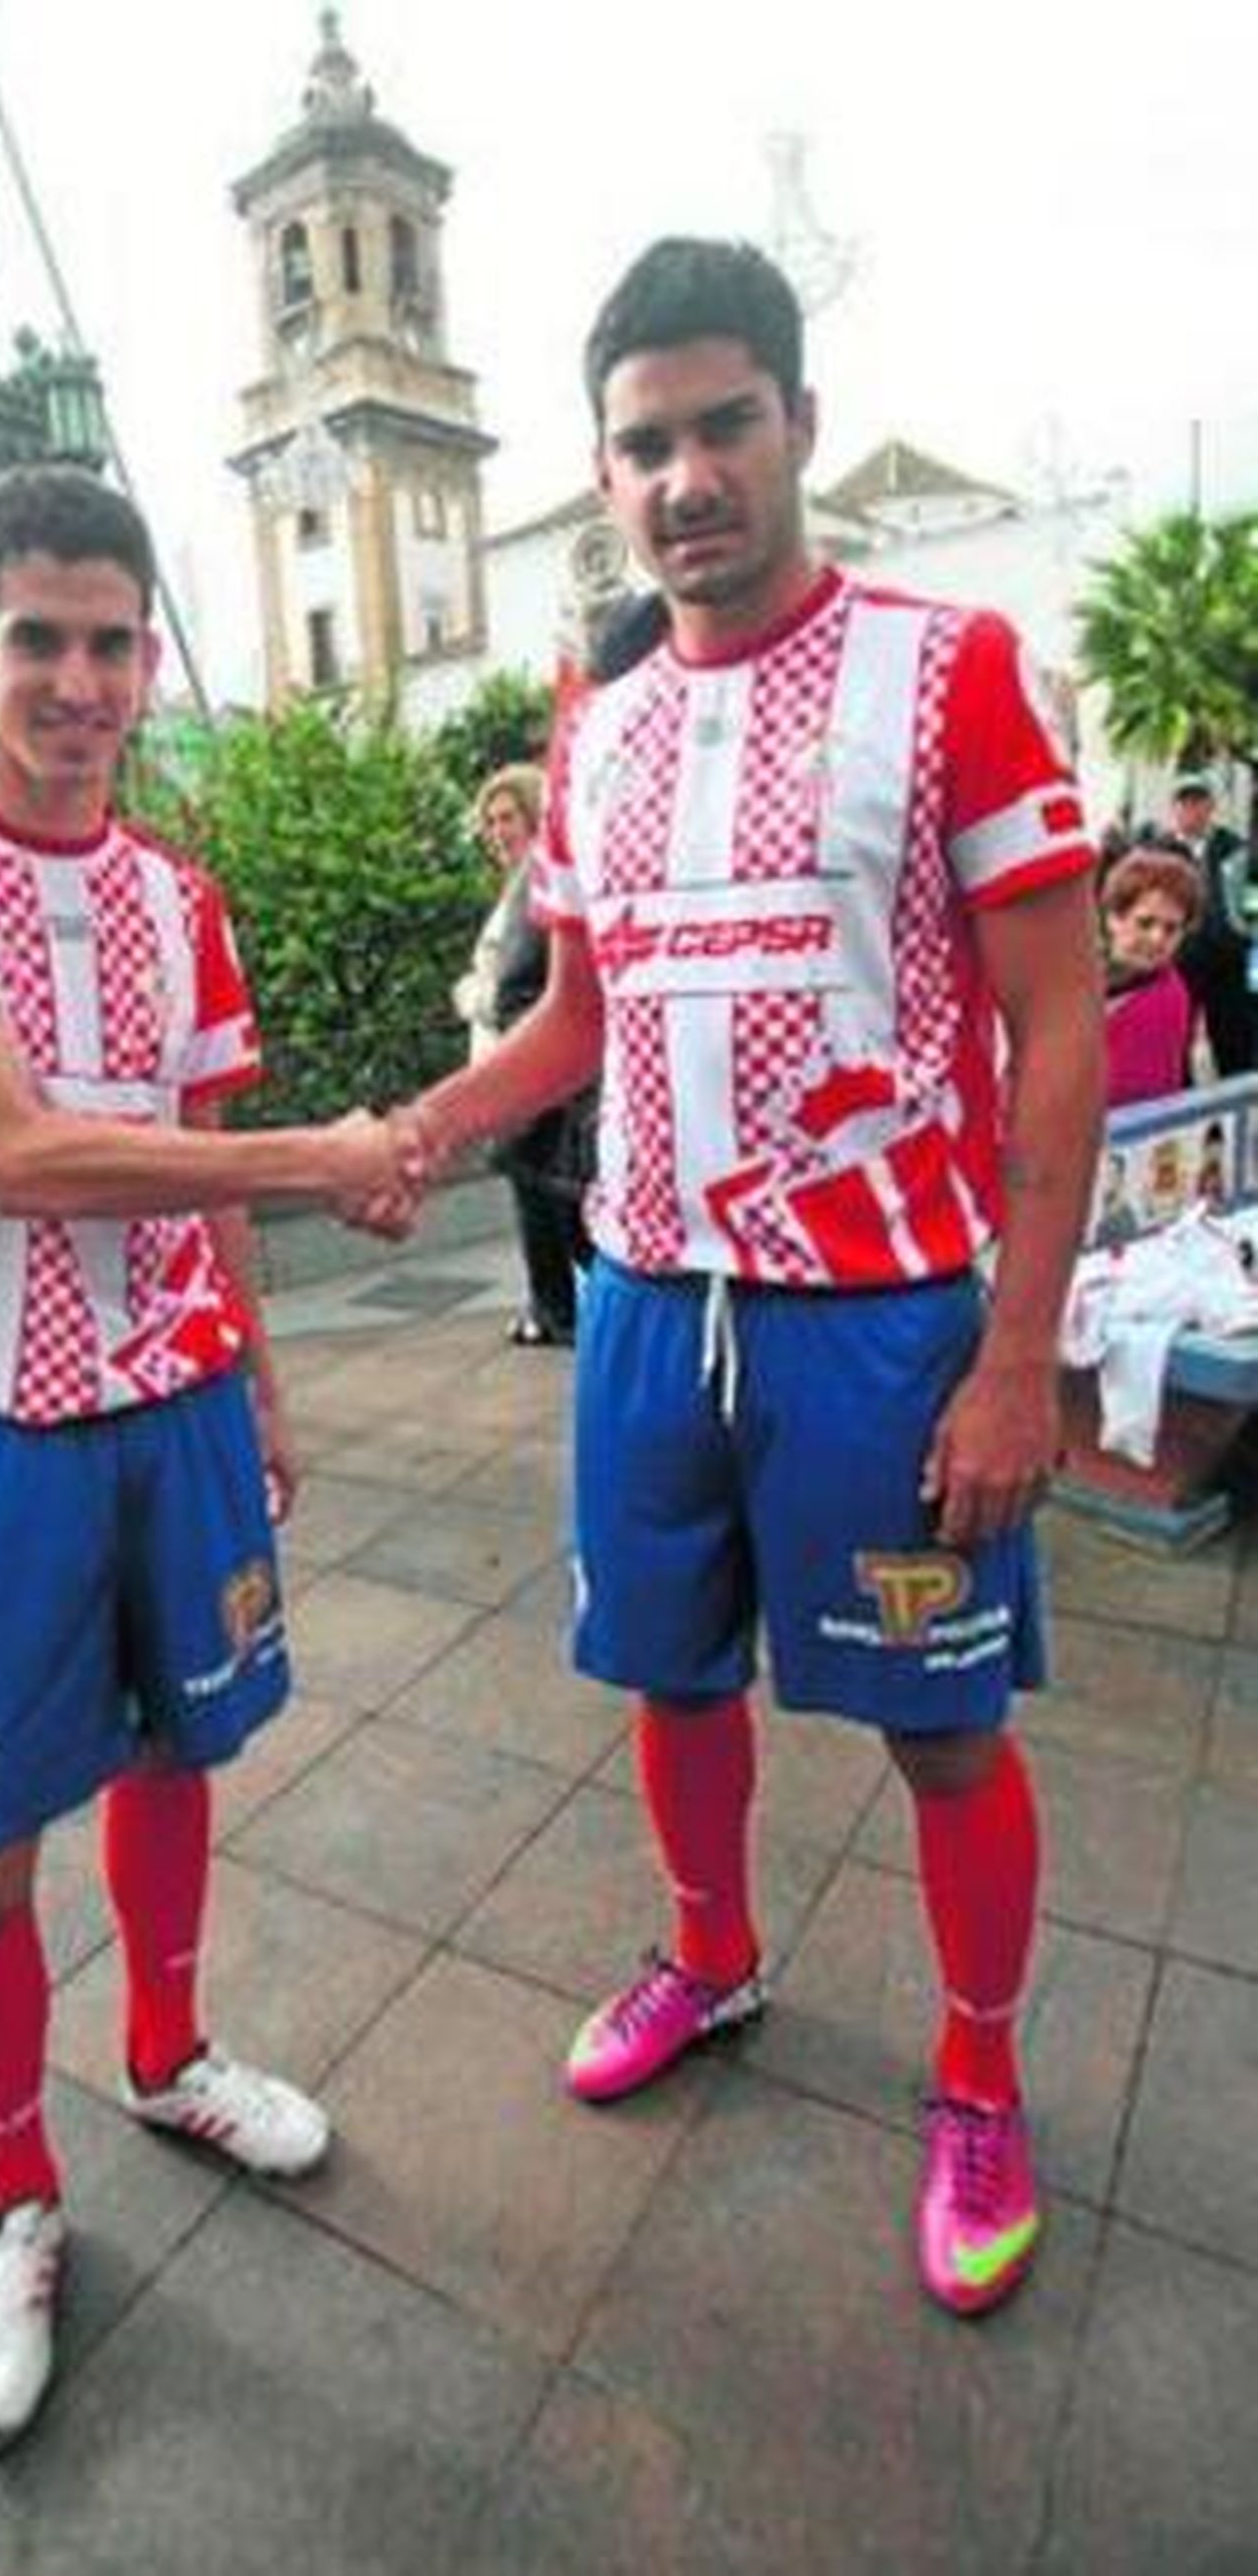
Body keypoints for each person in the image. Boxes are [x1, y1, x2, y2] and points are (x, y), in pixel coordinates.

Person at [392, 238, 1104, 2319]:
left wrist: (1016, 1350)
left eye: (719, 425)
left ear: (791, 421)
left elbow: (1053, 1022)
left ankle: (975, 2077)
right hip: (640, 1299)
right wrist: (416, 1130)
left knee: (940, 1727)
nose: (682, 475)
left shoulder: (945, 663)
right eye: (640, 444)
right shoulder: (595, 725)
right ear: (601, 476)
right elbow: (568, 1024)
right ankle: (706, 1955)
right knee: (668, 1674)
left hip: (880, 1323)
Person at [0, 464, 415, 2448]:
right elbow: (31, 1155)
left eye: (109, 642)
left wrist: (263, 1376)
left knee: (178, 1744)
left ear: (147, 661)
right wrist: (320, 1155)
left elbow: (180, 1150)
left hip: (180, 1408)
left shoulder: (177, 896)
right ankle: (12, 2192)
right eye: (36, 640)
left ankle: (164, 2048)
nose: (75, 681)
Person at [454, 763, 593, 1343]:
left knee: (556, 1211)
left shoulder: (539, 878)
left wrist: (470, 994)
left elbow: (515, 989)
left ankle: (561, 1315)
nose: (495, 830)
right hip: (529, 1085)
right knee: (548, 1207)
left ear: (537, 816)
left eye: (507, 817)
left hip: (536, 1089)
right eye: (488, 820)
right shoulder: (529, 881)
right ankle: (556, 1313)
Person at [1100, 845, 1201, 1107]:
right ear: (1113, 918)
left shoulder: (1166, 997)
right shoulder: (1085, 974)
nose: (1157, 939)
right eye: (1145, 923)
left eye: (1171, 929)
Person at [1165, 771, 1251, 1076]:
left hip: (1229, 962)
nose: (1191, 809)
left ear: (1211, 806)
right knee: (1174, 1047)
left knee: (1237, 1046)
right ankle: (1186, 1119)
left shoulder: (1236, 848)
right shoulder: (1157, 852)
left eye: (1198, 801)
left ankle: (1241, 1118)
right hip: (1179, 962)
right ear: (1173, 808)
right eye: (1184, 802)